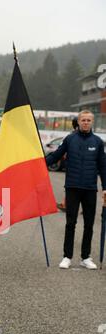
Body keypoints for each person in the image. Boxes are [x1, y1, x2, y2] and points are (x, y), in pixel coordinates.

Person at [46, 110, 106, 270]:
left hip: (90, 189)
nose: (86, 122)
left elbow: (103, 167)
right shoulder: (70, 139)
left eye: (88, 120)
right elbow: (55, 156)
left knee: (89, 224)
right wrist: (40, 164)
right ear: (78, 122)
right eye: (83, 120)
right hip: (72, 188)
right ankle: (67, 256)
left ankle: (85, 257)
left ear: (92, 122)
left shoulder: (98, 142)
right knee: (70, 223)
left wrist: (105, 188)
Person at [57, 117, 79, 212]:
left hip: (73, 165)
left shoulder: (70, 136)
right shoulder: (87, 134)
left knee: (71, 186)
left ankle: (66, 205)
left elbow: (62, 150)